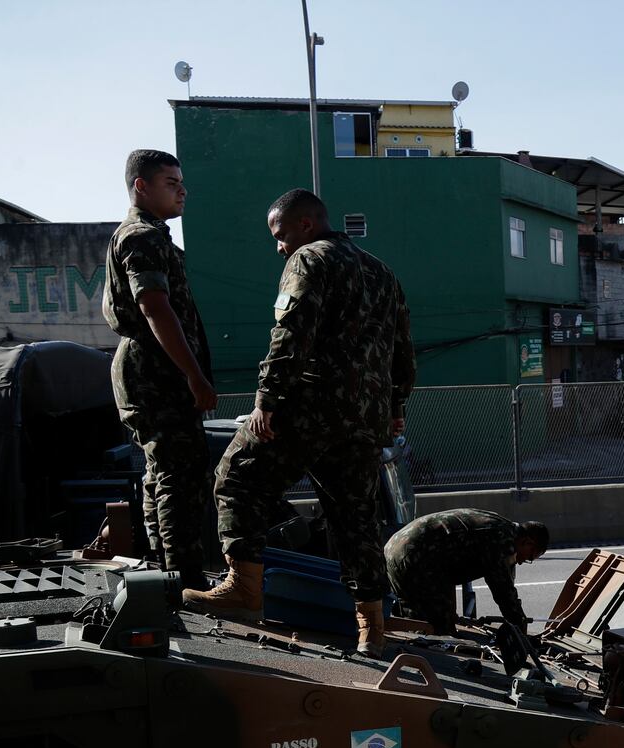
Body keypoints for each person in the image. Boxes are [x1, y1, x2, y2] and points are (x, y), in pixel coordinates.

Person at [182, 189, 416, 656]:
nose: (279, 245)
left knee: (237, 478)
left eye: (281, 233)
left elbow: (291, 331)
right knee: (356, 519)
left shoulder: (310, 259)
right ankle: (371, 626)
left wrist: (268, 397)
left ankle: (245, 588)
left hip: (309, 406)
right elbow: (402, 346)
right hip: (365, 418)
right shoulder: (382, 272)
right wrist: (394, 406)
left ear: (306, 225)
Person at [101, 149, 218, 589]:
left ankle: (165, 571)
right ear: (142, 186)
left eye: (182, 181)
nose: (183, 189)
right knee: (180, 472)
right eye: (171, 182)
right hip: (156, 374)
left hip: (151, 371)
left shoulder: (151, 235)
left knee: (163, 472)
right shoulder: (142, 236)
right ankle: (183, 579)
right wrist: (194, 375)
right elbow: (154, 307)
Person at [385, 510, 548, 635]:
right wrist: (520, 627)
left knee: (413, 618)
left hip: (397, 548)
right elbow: (503, 590)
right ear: (528, 542)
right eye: (530, 557)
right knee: (438, 629)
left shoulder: (501, 526)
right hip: (416, 555)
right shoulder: (502, 540)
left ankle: (410, 659)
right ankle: (435, 670)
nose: (522, 561)